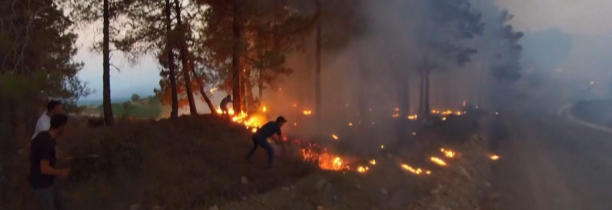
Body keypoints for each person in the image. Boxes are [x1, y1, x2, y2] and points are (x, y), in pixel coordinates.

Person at [29, 114, 70, 210]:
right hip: (42, 184)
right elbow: (44, 168)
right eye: (66, 126)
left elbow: (37, 153)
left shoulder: (44, 136)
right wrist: (61, 172)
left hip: (50, 181)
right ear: (61, 126)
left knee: (62, 204)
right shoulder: (46, 143)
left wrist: (54, 154)